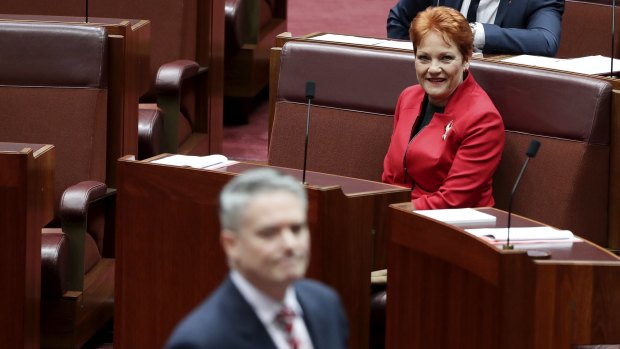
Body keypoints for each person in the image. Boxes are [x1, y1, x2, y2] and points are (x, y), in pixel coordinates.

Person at [164, 168, 348, 349]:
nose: (290, 245)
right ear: (231, 245)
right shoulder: (200, 341)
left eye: (296, 229)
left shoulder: (326, 304)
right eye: (269, 233)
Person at [382, 6, 505, 210]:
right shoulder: (408, 97)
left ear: (466, 59)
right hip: (400, 216)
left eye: (445, 58)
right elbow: (389, 175)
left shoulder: (483, 119)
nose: (433, 69)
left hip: (453, 228)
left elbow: (452, 201)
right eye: (424, 58)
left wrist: (385, 211)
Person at [387, 0, 564, 56]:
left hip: (495, 91)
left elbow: (545, 40)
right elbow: (400, 20)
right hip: (434, 86)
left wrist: (471, 33)